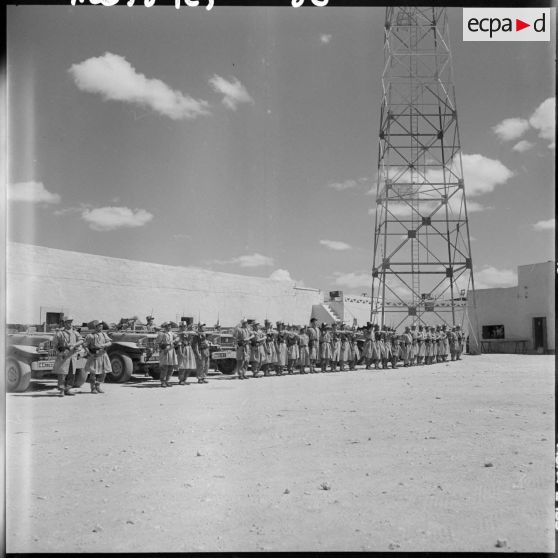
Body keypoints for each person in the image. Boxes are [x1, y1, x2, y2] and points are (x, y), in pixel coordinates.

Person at [52, 316, 84, 396]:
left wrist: (74, 344)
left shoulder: (75, 332)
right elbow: (54, 345)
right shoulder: (59, 333)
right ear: (64, 323)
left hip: (72, 355)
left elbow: (81, 340)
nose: (70, 324)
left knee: (71, 373)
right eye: (68, 322)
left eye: (70, 322)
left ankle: (68, 389)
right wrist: (59, 353)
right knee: (62, 373)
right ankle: (62, 389)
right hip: (63, 355)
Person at [84, 320, 112, 394]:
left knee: (103, 372)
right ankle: (93, 388)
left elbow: (109, 342)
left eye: (102, 325)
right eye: (99, 325)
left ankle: (98, 386)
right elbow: (85, 345)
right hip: (94, 355)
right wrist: (89, 353)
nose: (101, 327)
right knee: (93, 373)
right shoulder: (90, 335)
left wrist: (104, 345)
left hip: (102, 354)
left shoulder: (103, 334)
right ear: (96, 326)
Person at [156, 322, 178, 387]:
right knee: (164, 367)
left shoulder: (171, 333)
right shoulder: (161, 334)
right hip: (165, 350)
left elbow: (178, 337)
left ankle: (167, 380)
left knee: (171, 367)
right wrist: (162, 348)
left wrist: (174, 341)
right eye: (168, 326)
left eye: (170, 326)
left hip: (171, 350)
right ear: (165, 327)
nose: (169, 327)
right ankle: (163, 381)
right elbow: (158, 343)